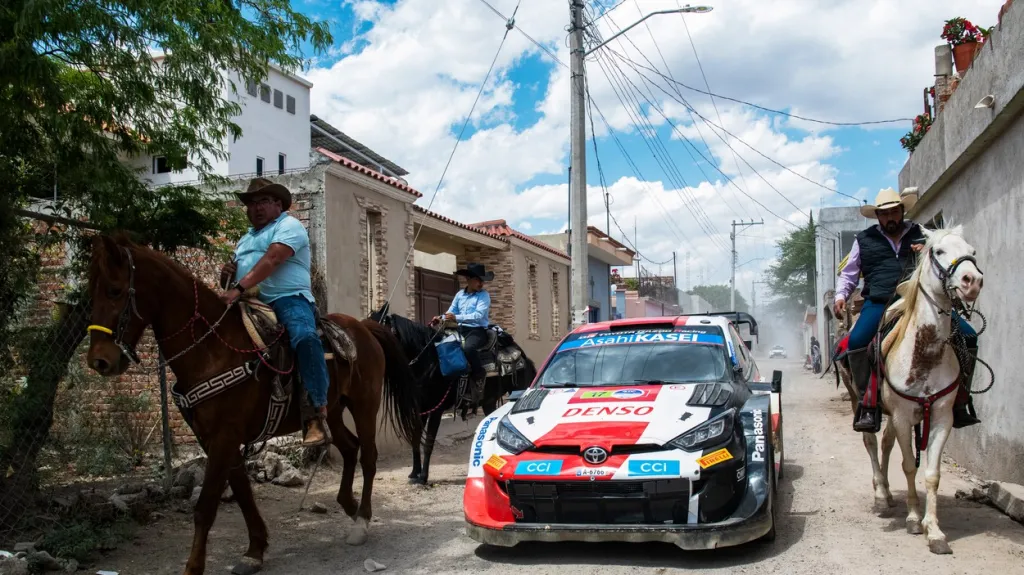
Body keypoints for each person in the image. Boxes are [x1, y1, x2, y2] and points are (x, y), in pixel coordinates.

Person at [834, 188, 980, 432]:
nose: (890, 217)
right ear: (878, 216)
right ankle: (868, 404)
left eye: (894, 211)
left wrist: (926, 253)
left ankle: (961, 401)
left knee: (968, 335)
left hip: (920, 300)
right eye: (885, 214)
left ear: (902, 210)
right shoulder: (864, 240)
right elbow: (849, 275)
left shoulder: (923, 234)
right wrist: (841, 296)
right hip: (879, 302)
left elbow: (942, 263)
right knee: (857, 342)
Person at [218, 177, 332, 447]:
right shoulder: (245, 238)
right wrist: (227, 278)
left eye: (263, 202)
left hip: (287, 299)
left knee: (305, 338)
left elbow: (272, 259)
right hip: (248, 300)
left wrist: (236, 288)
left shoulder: (288, 225)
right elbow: (237, 277)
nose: (256, 208)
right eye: (251, 204)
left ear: (278, 204)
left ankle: (316, 412)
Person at [432, 263, 493, 405]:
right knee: (439, 345)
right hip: (459, 330)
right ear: (469, 279)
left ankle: (478, 374)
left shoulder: (484, 295)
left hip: (477, 330)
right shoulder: (460, 294)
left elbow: (478, 316)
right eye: (478, 280)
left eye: (482, 280)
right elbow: (451, 312)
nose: (481, 283)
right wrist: (440, 318)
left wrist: (456, 318)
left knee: (468, 349)